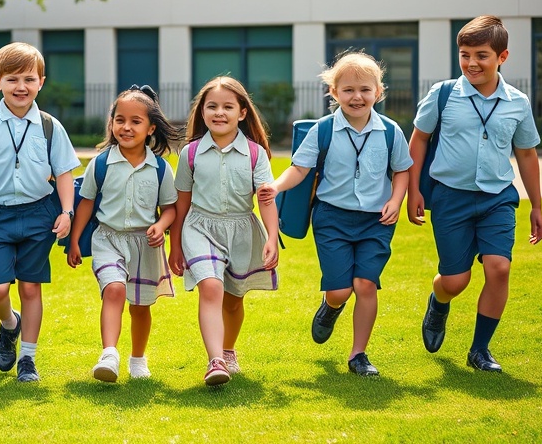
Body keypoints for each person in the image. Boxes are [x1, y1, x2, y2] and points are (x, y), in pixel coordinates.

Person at [259, 51, 412, 376]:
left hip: (376, 221)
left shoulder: (390, 131)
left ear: (378, 92)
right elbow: (299, 170)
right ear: (334, 93)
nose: (357, 97)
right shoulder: (323, 130)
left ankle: (359, 355)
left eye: (365, 90)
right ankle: (331, 307)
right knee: (340, 290)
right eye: (348, 90)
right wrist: (275, 185)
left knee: (366, 284)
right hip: (332, 219)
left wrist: (396, 200)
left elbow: (402, 171)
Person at [407, 15, 542, 373]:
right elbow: (419, 140)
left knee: (499, 268)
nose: (471, 63)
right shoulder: (442, 94)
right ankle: (438, 304)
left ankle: (480, 350)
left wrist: (537, 206)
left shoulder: (518, 102)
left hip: (497, 198)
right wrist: (413, 190)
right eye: (465, 54)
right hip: (450, 197)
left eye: (481, 55)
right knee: (456, 280)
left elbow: (527, 154)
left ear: (503, 56)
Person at [0, 42, 80, 382]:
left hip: (39, 213)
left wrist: (66, 212)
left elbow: (65, 173)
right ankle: (10, 324)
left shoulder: (50, 126)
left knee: (29, 288)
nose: (21, 87)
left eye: (28, 79)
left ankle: (28, 359)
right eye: (12, 79)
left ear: (41, 81)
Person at [66, 85, 183, 382]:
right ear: (112, 123)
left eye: (135, 121)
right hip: (108, 239)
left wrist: (161, 224)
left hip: (145, 244)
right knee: (114, 289)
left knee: (141, 307)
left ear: (150, 128)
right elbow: (87, 203)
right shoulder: (101, 163)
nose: (126, 127)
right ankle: (109, 353)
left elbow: (170, 208)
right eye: (120, 120)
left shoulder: (159, 168)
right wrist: (75, 242)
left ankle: (138, 358)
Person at [168, 75, 279, 386]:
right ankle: (215, 360)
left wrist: (272, 237)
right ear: (202, 112)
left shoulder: (256, 153)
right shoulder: (189, 153)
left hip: (242, 230)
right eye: (212, 106)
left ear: (242, 113)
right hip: (199, 228)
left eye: (228, 107)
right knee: (211, 288)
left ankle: (228, 350)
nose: (219, 112)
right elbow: (182, 202)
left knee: (233, 299)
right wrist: (175, 245)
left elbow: (266, 199)